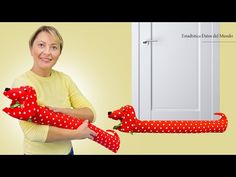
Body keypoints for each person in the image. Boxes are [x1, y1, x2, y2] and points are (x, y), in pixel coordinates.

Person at [11, 25, 97, 155]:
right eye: (41, 45)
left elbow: (90, 114)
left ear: (59, 53)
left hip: (68, 152)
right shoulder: (22, 83)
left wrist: (63, 112)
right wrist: (75, 134)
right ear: (30, 48)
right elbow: (32, 132)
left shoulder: (65, 79)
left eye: (54, 47)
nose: (47, 52)